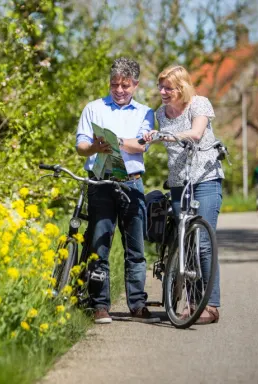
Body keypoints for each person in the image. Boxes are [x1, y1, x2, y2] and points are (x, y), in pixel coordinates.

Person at [76, 57, 159, 324]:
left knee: (135, 248)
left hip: (132, 183)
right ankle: (100, 305)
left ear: (135, 84)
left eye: (125, 85)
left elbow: (142, 146)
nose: (119, 90)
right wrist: (95, 148)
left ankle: (137, 304)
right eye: (114, 85)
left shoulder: (145, 112)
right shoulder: (93, 108)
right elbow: (81, 145)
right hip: (101, 181)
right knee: (100, 245)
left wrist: (117, 141)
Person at [143, 65, 223, 325]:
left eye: (168, 87)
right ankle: (192, 304)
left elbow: (197, 133)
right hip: (179, 181)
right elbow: (155, 137)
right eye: (161, 87)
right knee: (184, 242)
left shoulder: (199, 104)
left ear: (182, 87)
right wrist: (150, 136)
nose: (163, 92)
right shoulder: (160, 113)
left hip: (205, 178)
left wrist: (165, 135)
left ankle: (211, 306)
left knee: (202, 243)